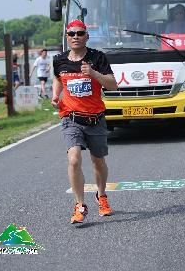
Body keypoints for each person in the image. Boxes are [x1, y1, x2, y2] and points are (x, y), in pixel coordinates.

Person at [51, 19, 118, 224]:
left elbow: (113, 85)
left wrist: (93, 73)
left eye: (80, 33)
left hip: (95, 118)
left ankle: (102, 195)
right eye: (71, 34)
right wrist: (55, 95)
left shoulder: (97, 57)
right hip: (71, 117)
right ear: (67, 37)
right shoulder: (59, 60)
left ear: (86, 36)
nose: (75, 37)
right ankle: (80, 205)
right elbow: (57, 77)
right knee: (73, 159)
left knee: (98, 162)